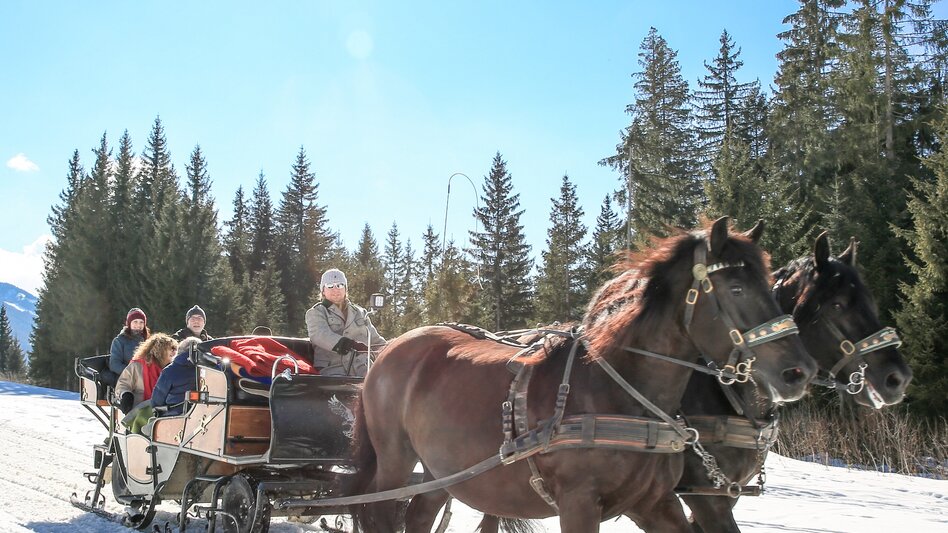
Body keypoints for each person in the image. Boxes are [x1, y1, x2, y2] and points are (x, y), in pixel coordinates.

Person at [305, 268, 385, 377]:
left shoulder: (360, 312)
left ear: (345, 289)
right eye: (330, 286)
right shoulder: (317, 312)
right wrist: (350, 344)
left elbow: (375, 340)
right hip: (333, 370)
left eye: (339, 285)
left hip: (363, 369)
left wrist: (391, 348)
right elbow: (319, 335)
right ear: (323, 290)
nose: (335, 289)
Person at [115, 333, 177, 414]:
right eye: (171, 348)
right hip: (139, 410)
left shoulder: (171, 369)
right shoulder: (136, 366)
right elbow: (123, 385)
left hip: (166, 411)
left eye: (175, 349)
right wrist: (126, 395)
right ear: (160, 350)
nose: (174, 352)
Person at [151, 337, 202, 416]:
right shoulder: (209, 369)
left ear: (180, 350)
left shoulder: (169, 370)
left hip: (174, 414)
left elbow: (158, 398)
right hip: (202, 413)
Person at [107, 308, 150, 384]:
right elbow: (114, 364)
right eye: (135, 322)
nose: (138, 325)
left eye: (141, 322)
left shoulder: (148, 341)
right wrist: (132, 373)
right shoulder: (120, 341)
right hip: (127, 380)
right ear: (129, 323)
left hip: (147, 378)